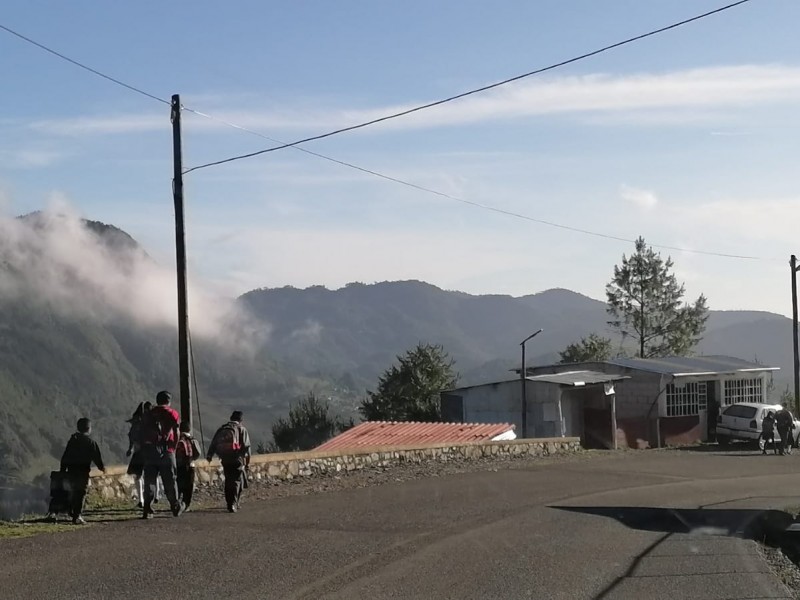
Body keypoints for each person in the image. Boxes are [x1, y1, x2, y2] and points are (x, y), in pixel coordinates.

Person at [140, 390, 183, 519]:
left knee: (150, 480)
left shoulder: (148, 414)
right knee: (170, 480)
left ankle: (147, 508)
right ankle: (174, 506)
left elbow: (141, 433)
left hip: (150, 451)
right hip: (167, 451)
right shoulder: (172, 413)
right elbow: (176, 432)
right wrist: (173, 448)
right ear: (168, 401)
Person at [58, 418, 105, 525]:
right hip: (83, 472)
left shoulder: (72, 441)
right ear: (89, 429)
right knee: (81, 493)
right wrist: (102, 468)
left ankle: (71, 511)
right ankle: (77, 515)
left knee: (73, 491)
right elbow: (97, 458)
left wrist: (62, 470)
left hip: (71, 470)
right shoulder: (91, 443)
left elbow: (65, 456)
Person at [207, 411, 251, 513]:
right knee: (236, 481)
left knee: (228, 480)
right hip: (237, 459)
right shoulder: (241, 429)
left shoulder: (222, 429)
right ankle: (233, 504)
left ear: (231, 418)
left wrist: (210, 455)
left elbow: (214, 443)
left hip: (225, 459)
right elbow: (247, 448)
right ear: (241, 420)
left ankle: (228, 503)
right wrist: (246, 462)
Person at [175, 421, 202, 512]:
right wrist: (192, 459)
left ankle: (176, 503)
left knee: (178, 484)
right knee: (189, 486)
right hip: (189, 465)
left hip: (177, 465)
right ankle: (185, 504)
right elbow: (198, 453)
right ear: (189, 429)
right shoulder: (192, 439)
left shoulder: (176, 438)